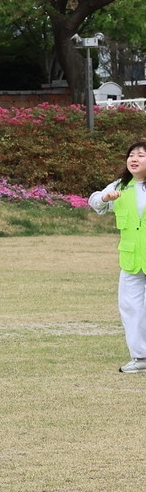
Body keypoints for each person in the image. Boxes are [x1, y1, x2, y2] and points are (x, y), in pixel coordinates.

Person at [89, 139, 146, 373]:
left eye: (141, 155)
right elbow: (94, 202)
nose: (134, 159)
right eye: (131, 155)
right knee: (130, 307)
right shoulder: (121, 186)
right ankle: (141, 357)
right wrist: (104, 198)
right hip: (132, 259)